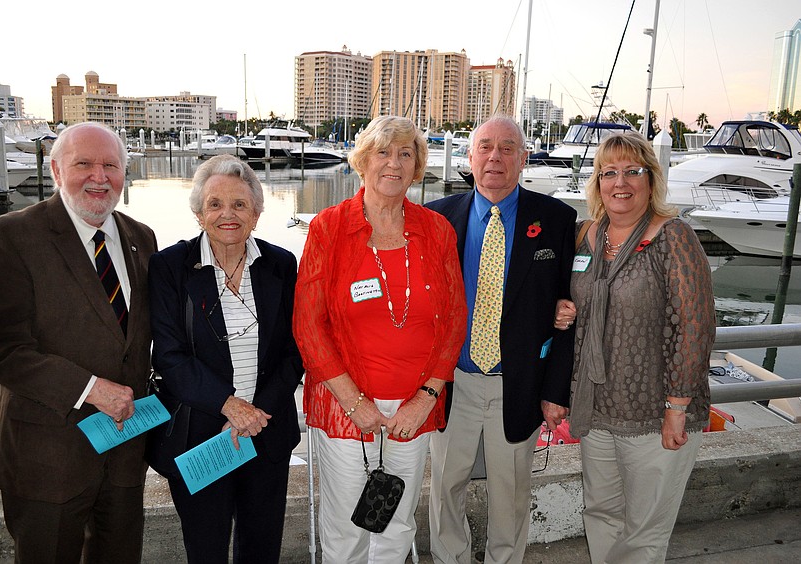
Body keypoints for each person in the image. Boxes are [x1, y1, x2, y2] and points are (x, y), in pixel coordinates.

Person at [0, 121, 157, 563]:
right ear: (56, 171)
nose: (99, 176)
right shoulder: (11, 236)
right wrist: (90, 388)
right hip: (47, 461)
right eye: (84, 164)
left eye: (111, 165)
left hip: (125, 454)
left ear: (124, 173)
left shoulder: (141, 238)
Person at [293, 115, 466, 563]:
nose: (394, 163)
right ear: (362, 161)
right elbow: (308, 326)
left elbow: (453, 320)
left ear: (417, 165)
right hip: (346, 407)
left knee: (396, 522)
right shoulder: (329, 229)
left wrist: (427, 397)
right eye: (383, 152)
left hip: (415, 408)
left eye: (405, 154)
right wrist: (355, 403)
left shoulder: (437, 230)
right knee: (347, 526)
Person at [426, 114, 577, 564]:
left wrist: (554, 391)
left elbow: (571, 307)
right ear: (470, 158)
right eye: (486, 147)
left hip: (519, 384)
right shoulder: (436, 218)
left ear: (523, 159)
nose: (495, 156)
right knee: (445, 487)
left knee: (510, 494)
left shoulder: (557, 219)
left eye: (508, 148)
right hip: (451, 380)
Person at [560, 131, 715, 563]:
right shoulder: (584, 236)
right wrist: (562, 308)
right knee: (602, 512)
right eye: (609, 172)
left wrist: (677, 406)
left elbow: (695, 326)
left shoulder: (675, 237)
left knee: (645, 530)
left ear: (651, 179)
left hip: (655, 411)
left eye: (632, 171)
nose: (620, 182)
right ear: (597, 182)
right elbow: (567, 298)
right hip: (597, 407)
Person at [146, 154, 303, 563]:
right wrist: (229, 406)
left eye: (239, 204)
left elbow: (295, 350)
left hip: (266, 433)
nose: (227, 215)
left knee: (261, 546)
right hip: (200, 436)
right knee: (206, 547)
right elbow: (169, 355)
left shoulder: (281, 265)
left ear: (257, 212)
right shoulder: (170, 267)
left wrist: (256, 413)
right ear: (198, 213)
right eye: (215, 204)